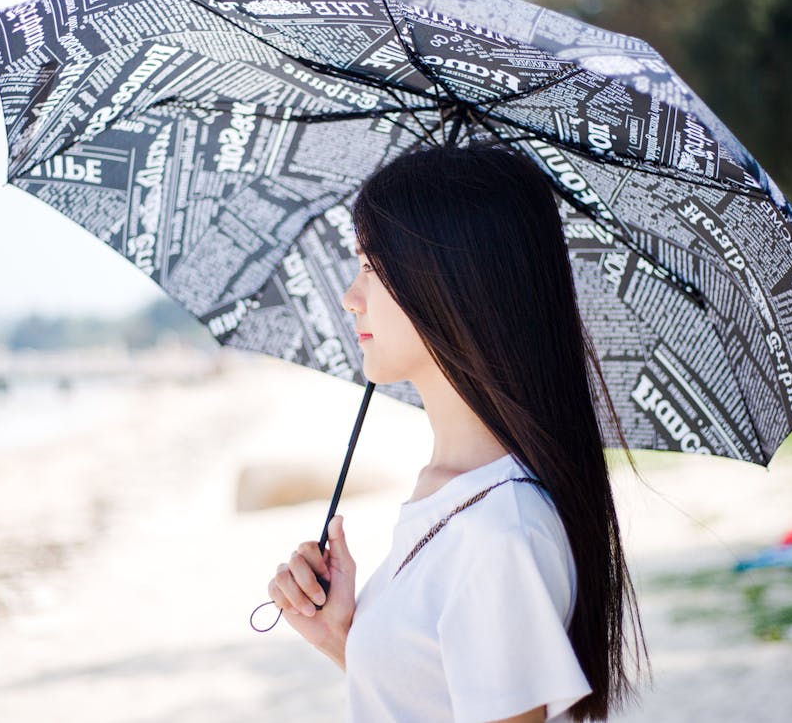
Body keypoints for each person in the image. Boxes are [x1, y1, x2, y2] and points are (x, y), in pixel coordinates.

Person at [266, 141, 646, 722]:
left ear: (447, 282)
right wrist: (342, 638)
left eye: (370, 266)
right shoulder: (453, 493)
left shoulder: (499, 530)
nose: (350, 298)